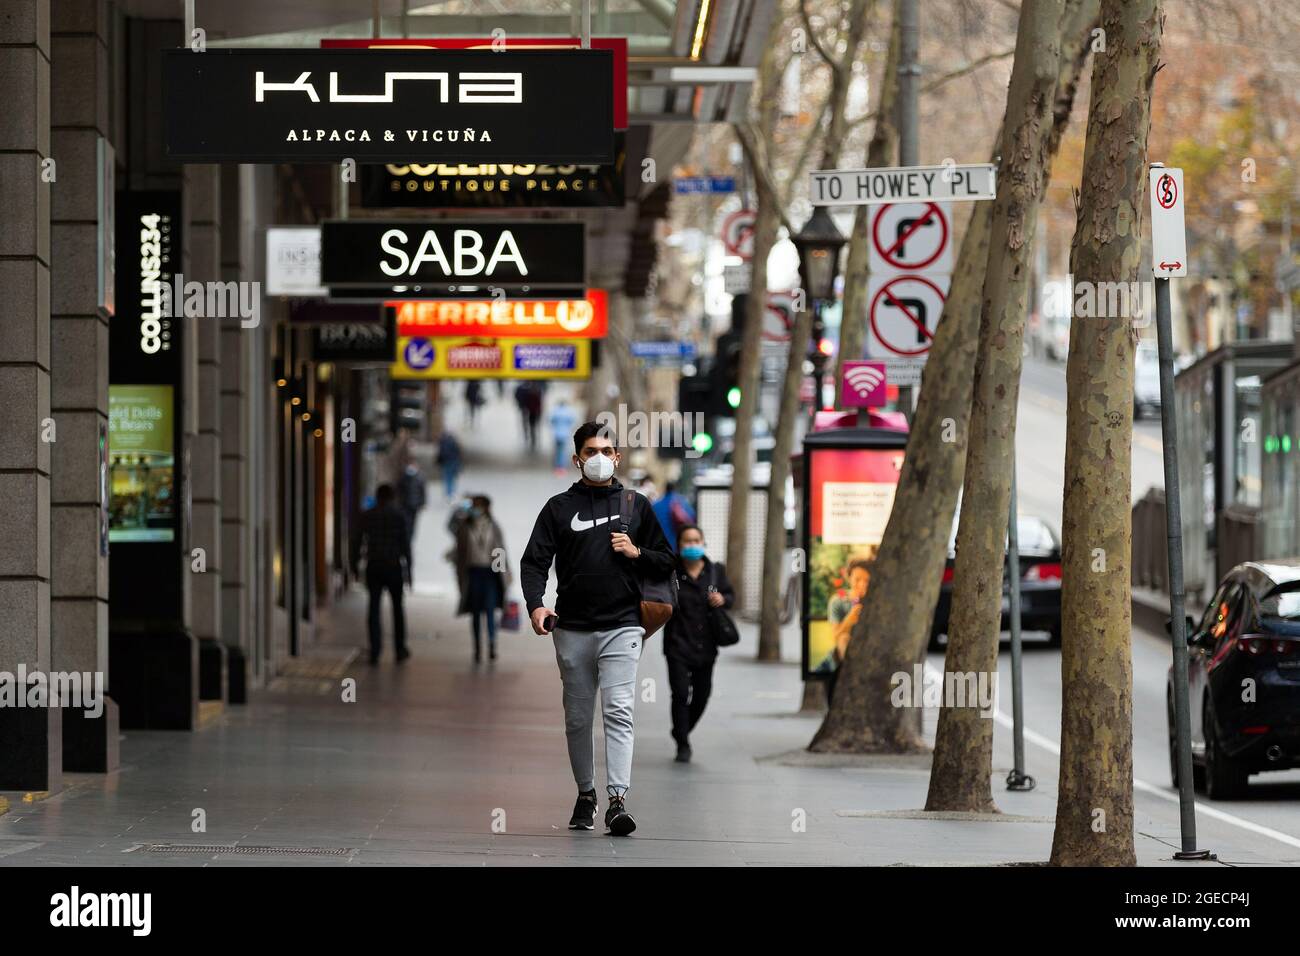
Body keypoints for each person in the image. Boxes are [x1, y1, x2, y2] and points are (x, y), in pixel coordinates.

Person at [520, 421, 675, 836]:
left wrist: (637, 551)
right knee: (577, 716)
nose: (599, 459)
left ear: (618, 458)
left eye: (607, 451)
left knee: (619, 711)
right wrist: (536, 606)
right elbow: (533, 561)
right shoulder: (558, 508)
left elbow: (666, 559)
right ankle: (586, 793)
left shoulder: (635, 504)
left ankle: (618, 800)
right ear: (577, 459)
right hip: (571, 628)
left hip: (623, 627)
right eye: (591, 452)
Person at [662, 525, 733, 763]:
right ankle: (683, 743)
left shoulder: (715, 572)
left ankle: (681, 729)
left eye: (696, 540)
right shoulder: (671, 571)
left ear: (703, 542)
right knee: (680, 693)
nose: (692, 545)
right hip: (677, 645)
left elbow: (731, 596)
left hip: (706, 646)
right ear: (679, 545)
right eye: (687, 541)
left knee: (702, 695)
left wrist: (723, 599)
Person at [351, 484, 412, 665]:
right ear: (392, 497)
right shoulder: (399, 516)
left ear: (378, 497)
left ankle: (375, 649)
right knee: (398, 608)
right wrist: (409, 569)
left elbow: (357, 540)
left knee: (374, 608)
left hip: (374, 565)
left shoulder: (368, 515)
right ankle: (399, 648)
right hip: (393, 566)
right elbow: (405, 545)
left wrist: (354, 565)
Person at [454, 495, 509, 663]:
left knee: (491, 609)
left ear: (486, 507)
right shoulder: (465, 527)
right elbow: (460, 551)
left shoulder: (493, 526)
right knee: (476, 611)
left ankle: (492, 644)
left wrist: (503, 577)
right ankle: (477, 647)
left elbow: (500, 549)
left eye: (479, 505)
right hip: (473, 573)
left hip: (490, 573)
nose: (476, 509)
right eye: (473, 505)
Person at [815, 556, 872, 675]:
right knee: (843, 638)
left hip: (868, 651)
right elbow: (836, 636)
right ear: (849, 579)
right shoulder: (838, 601)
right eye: (857, 579)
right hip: (842, 656)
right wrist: (849, 620)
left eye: (867, 580)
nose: (862, 585)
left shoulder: (876, 602)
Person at [651, 482, 697, 548]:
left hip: (660, 543)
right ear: (675, 489)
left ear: (665, 489)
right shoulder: (682, 502)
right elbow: (692, 518)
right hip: (677, 541)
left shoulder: (655, 505)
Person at [397, 462, 427, 543]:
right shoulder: (404, 478)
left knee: (412, 523)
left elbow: (422, 492)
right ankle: (408, 537)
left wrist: (423, 503)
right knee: (408, 522)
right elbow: (399, 491)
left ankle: (409, 538)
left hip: (413, 505)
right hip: (406, 505)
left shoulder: (419, 478)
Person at [548, 395, 578, 474]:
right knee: (563, 451)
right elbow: (573, 421)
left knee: (557, 450)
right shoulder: (568, 412)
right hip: (565, 434)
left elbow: (551, 420)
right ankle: (562, 467)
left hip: (556, 434)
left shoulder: (555, 411)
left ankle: (557, 466)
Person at [436, 430, 462, 501]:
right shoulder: (454, 442)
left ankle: (449, 493)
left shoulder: (442, 443)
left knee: (447, 478)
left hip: (446, 463)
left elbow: (440, 454)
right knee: (452, 478)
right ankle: (451, 493)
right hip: (453, 462)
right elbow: (458, 453)